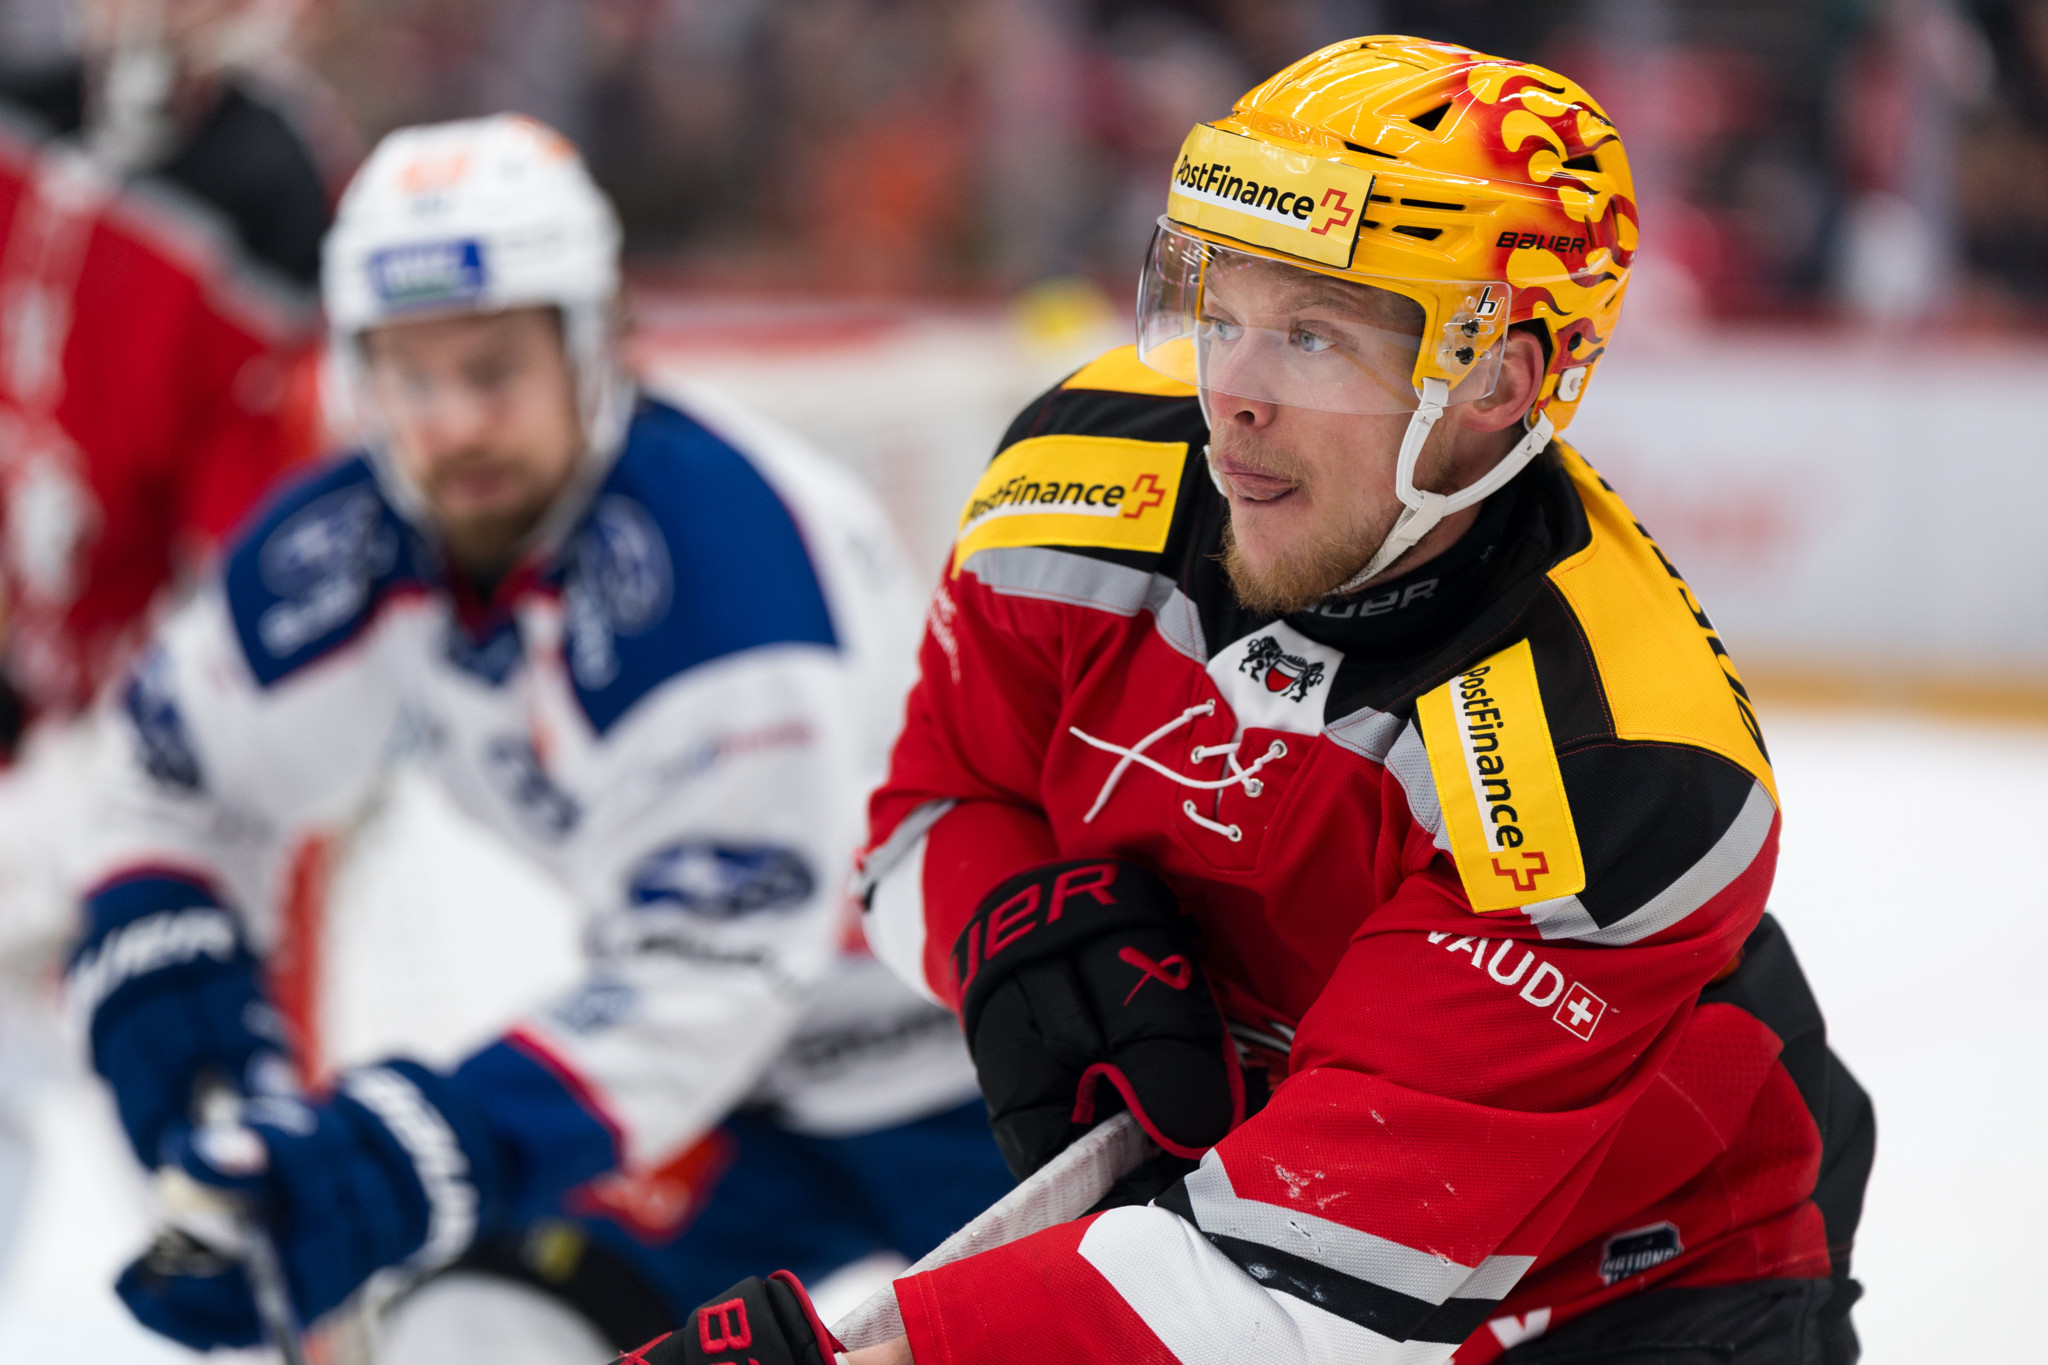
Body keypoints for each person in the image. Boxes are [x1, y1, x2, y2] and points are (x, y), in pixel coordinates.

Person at [644, 35, 1874, 1365]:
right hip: (1254, 1214)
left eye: (1313, 335)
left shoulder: (1620, 765)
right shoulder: (1075, 484)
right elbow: (929, 809)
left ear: (1497, 380)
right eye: (1221, 310)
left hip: (1647, 1284)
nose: (1233, 393)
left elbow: (1293, 1293)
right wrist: (1006, 921)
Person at [66, 113, 1009, 1363]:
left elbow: (716, 964)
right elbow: (168, 775)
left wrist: (410, 1152)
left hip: (988, 1086)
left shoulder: (732, 569)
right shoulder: (357, 543)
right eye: (408, 374)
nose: (450, 423)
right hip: (736, 1115)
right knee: (475, 1331)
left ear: (594, 342)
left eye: (492, 370)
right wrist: (174, 982)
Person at [0, 0, 329, 1282]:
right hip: (36, 690)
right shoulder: (33, 104)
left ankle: (263, 1284)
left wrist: (155, 742)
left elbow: (252, 539)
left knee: (200, 1058)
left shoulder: (268, 181)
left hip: (136, 715)